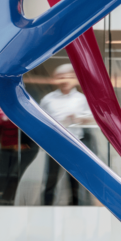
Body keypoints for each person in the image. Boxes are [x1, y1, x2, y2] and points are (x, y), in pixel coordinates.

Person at [40, 63, 94, 205]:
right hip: (55, 144)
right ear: (56, 79)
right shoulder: (48, 99)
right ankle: (46, 209)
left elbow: (92, 119)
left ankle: (75, 210)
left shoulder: (82, 98)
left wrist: (79, 119)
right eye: (61, 77)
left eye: (69, 76)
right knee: (51, 178)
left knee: (75, 180)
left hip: (76, 143)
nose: (65, 80)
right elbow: (40, 121)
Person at [0, 84, 35, 204]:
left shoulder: (19, 106)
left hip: (23, 148)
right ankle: (4, 200)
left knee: (14, 175)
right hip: (4, 148)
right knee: (3, 175)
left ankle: (8, 200)